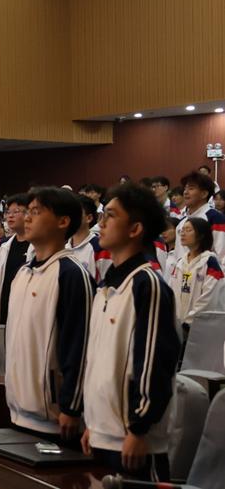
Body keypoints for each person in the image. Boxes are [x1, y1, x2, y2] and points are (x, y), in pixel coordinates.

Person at [81, 183, 180, 482]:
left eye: (111, 216)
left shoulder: (147, 285)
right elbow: (99, 361)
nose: (102, 223)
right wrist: (93, 423)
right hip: (103, 433)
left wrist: (139, 429)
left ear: (135, 229)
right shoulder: (105, 286)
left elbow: (154, 365)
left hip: (135, 440)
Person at [5, 187, 94, 441]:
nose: (27, 218)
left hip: (55, 418)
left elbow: (80, 345)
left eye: (35, 212)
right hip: (17, 409)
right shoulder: (23, 273)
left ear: (63, 221)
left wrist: (72, 407)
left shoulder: (72, 274)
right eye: (27, 212)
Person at [168, 217, 225, 334]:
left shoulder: (209, 262)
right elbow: (171, 290)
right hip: (177, 325)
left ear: (201, 235)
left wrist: (189, 322)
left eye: (188, 230)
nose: (183, 233)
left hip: (200, 328)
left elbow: (210, 297)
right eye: (182, 230)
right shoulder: (180, 263)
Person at [0, 193, 33, 324]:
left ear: (29, 214)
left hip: (26, 316)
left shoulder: (37, 247)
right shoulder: (2, 248)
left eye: (16, 212)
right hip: (4, 314)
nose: (10, 216)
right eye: (7, 212)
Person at [175, 171, 225, 264]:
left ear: (204, 194)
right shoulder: (181, 223)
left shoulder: (215, 218)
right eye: (185, 188)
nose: (185, 192)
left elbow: (222, 256)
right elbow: (177, 256)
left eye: (191, 188)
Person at [66, 194, 112, 283]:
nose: (70, 217)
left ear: (89, 218)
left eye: (75, 213)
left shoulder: (100, 248)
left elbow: (108, 285)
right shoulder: (63, 248)